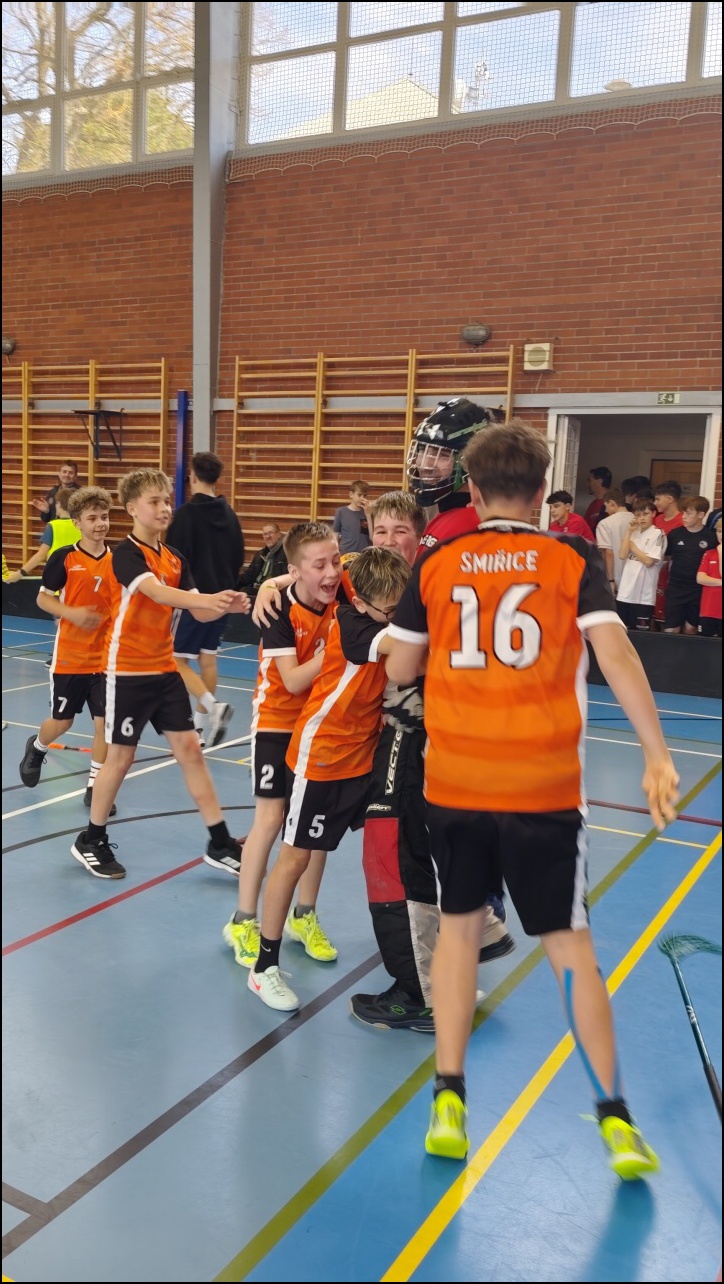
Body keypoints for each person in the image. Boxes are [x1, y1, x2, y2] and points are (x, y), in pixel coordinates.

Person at [386, 418, 678, 1177]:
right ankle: (615, 1119)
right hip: (543, 790)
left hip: (455, 785)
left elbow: (400, 671)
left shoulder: (438, 561)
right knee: (570, 948)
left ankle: (449, 1097)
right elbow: (615, 652)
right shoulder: (569, 557)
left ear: (473, 489)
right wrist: (656, 753)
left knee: (458, 933)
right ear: (543, 491)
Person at [248, 546, 410, 1012]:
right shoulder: (357, 627)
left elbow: (346, 565)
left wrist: (274, 581)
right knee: (295, 857)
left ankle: (421, 968)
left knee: (402, 848)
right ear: (361, 604)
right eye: (390, 612)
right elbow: (406, 644)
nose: (396, 618)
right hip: (321, 758)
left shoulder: (369, 596)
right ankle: (264, 967)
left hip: (365, 759)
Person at [69, 469, 250, 881]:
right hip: (127, 671)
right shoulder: (125, 555)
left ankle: (219, 842)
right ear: (133, 508)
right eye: (155, 501)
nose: (165, 508)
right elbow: (156, 592)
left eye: (167, 500)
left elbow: (197, 611)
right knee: (121, 757)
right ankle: (91, 839)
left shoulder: (175, 558)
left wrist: (228, 605)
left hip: (164, 670)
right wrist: (205, 599)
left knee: (190, 751)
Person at [223, 522, 351, 971]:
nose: (331, 572)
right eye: (319, 565)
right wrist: (339, 648)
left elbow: (338, 570)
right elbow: (294, 680)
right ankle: (243, 921)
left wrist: (270, 581)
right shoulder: (280, 611)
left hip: (320, 724)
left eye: (335, 561)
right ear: (296, 572)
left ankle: (304, 916)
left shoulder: (339, 588)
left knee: (314, 825)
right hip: (277, 724)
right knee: (271, 819)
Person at [18, 487, 118, 814]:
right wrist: (71, 612)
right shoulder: (64, 558)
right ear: (77, 523)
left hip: (106, 658)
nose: (100, 524)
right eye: (92, 518)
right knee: (63, 722)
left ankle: (96, 786)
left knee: (104, 725)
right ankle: (37, 746)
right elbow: (43, 598)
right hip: (71, 657)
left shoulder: (119, 560)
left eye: (104, 517)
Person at [167, 452, 245, 748]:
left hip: (193, 599)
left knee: (175, 660)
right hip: (222, 599)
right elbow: (238, 556)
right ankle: (198, 729)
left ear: (193, 476)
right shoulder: (230, 514)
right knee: (208, 659)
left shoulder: (186, 514)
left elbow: (173, 557)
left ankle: (213, 708)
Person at [664, 497, 718, 635]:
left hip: (697, 589)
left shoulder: (711, 537)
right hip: (676, 587)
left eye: (688, 513)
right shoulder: (675, 534)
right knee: (671, 629)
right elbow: (668, 557)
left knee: (691, 629)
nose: (684, 517)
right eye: (683, 513)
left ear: (701, 514)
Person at [616, 498, 666, 630]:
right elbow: (622, 555)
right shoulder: (633, 533)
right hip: (625, 592)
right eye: (638, 515)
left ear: (653, 514)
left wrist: (632, 546)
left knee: (640, 633)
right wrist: (629, 532)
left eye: (645, 514)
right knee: (622, 630)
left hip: (643, 596)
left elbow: (648, 561)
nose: (641, 518)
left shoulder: (658, 534)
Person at [7, 489, 79, 581]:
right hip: (77, 576)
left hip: (56, 578)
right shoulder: (81, 525)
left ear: (59, 504)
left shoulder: (53, 526)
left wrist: (20, 573)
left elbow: (41, 555)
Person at [652, 480, 684, 630]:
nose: (655, 503)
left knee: (668, 615)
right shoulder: (657, 519)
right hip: (654, 572)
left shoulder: (682, 521)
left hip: (671, 574)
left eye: (658, 499)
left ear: (670, 499)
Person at [237, 522, 288, 600]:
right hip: (257, 588)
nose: (268, 537)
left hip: (273, 590)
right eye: (265, 534)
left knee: (245, 593)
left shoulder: (286, 554)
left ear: (278, 535)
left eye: (270, 533)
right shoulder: (260, 554)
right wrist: (232, 580)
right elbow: (249, 576)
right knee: (239, 591)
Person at [595, 488, 631, 593]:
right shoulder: (636, 519)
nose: (605, 510)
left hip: (616, 576)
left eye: (606, 506)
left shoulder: (605, 523)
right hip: (634, 577)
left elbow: (608, 552)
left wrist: (610, 580)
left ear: (611, 503)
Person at [697, 514, 722, 637]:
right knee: (704, 644)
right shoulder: (709, 553)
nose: (721, 535)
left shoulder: (718, 552)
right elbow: (700, 578)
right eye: (719, 531)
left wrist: (721, 552)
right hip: (708, 610)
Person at [332, 480, 371, 554]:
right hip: (346, 552)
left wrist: (368, 515)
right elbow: (335, 534)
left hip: (363, 553)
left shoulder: (367, 512)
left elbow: (371, 536)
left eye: (364, 496)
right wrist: (335, 552)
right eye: (359, 495)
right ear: (351, 494)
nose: (362, 498)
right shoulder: (341, 512)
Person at [583, 466, 612, 535]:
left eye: (590, 480)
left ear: (599, 481)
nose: (588, 484)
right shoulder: (592, 505)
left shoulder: (612, 504)